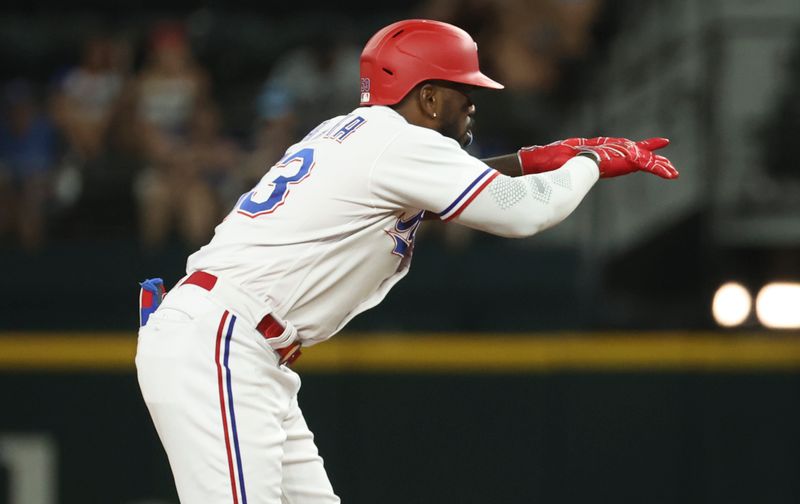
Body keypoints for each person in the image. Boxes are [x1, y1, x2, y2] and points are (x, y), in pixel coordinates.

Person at [135, 19, 678, 504]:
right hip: (226, 341)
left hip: (233, 340)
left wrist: (535, 159)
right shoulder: (399, 145)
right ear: (429, 97)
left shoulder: (359, 133)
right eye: (464, 92)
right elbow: (527, 213)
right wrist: (587, 162)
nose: (471, 106)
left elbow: (427, 191)